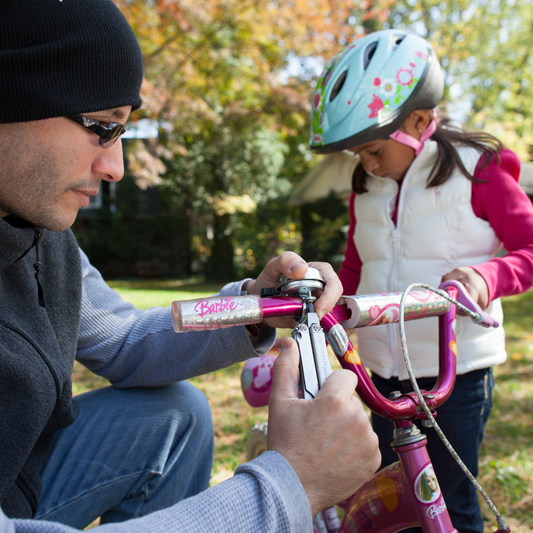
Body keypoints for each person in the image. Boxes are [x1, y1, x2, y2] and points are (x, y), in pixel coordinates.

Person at [0, 1, 381, 531]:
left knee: (177, 414)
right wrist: (287, 487)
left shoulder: (41, 236)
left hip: (22, 476)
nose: (115, 169)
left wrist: (255, 306)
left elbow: (122, 339)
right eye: (102, 126)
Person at [309, 29, 533, 533]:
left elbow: (529, 246)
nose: (366, 165)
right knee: (393, 500)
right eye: (358, 155)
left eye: (372, 150)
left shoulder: (478, 170)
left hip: (454, 373)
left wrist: (486, 277)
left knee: (449, 501)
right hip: (380, 373)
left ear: (416, 121)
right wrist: (327, 306)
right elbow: (357, 267)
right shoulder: (368, 186)